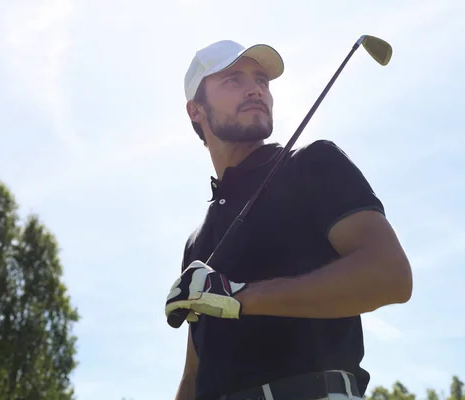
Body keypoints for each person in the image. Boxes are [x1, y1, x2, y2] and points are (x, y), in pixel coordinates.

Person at [164, 39, 413, 400]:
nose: (254, 89)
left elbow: (390, 276)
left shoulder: (313, 164)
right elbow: (195, 374)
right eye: (233, 80)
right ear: (195, 110)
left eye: (261, 80)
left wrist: (240, 297)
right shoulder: (197, 243)